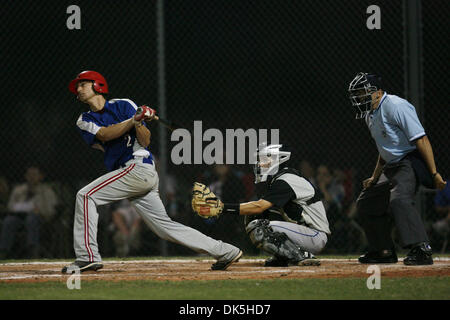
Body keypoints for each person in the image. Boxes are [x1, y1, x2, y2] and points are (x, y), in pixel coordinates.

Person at [62, 70, 242, 273]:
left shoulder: (123, 105)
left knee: (85, 195)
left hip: (138, 168)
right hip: (131, 174)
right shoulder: (84, 120)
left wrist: (139, 122)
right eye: (77, 86)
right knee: (164, 228)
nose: (78, 89)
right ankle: (226, 250)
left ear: (98, 85)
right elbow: (104, 135)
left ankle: (87, 256)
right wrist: (133, 120)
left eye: (83, 84)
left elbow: (146, 141)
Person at [348, 72, 447, 265]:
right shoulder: (370, 114)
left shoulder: (395, 105)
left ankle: (421, 248)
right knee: (366, 203)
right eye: (357, 93)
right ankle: (383, 250)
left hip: (409, 161)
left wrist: (434, 172)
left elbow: (421, 139)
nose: (359, 97)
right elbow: (384, 150)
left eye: (362, 92)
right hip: (391, 165)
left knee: (399, 200)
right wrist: (374, 177)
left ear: (377, 92)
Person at [192, 143, 331, 267]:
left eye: (265, 160)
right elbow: (260, 209)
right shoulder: (282, 179)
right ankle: (284, 256)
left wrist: (222, 207)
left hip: (315, 236)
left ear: (278, 160)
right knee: (255, 217)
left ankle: (300, 255)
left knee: (259, 227)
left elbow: (259, 205)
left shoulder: (286, 180)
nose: (260, 164)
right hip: (306, 233)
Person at [0, 166, 58, 259]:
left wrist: (39, 210)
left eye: (34, 174)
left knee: (31, 219)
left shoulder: (47, 191)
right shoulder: (19, 190)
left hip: (40, 219)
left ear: (41, 176)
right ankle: (4, 251)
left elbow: (51, 210)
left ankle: (33, 250)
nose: (31, 177)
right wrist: (17, 209)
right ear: (25, 176)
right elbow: (10, 206)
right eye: (29, 174)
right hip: (19, 217)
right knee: (8, 221)